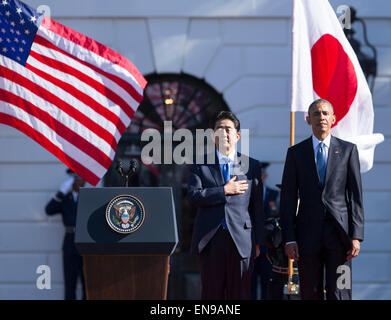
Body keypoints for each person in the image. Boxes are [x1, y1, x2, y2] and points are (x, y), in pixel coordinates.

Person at [280, 99, 364, 300]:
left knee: (340, 292)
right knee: (310, 291)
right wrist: (289, 238)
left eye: (326, 114)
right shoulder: (295, 153)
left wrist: (356, 235)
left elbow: (355, 196)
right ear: (308, 119)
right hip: (307, 236)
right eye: (316, 114)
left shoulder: (348, 150)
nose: (321, 118)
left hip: (340, 235)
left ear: (333, 119)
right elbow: (288, 198)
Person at [187, 111, 264, 300]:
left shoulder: (251, 165)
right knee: (212, 294)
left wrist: (258, 241)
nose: (224, 133)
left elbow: (257, 207)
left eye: (228, 129)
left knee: (241, 293)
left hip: (241, 239)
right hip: (210, 239)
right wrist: (224, 190)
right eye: (219, 129)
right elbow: (193, 197)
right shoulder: (200, 164)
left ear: (237, 136)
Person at [45, 169, 87, 300]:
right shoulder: (65, 199)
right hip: (70, 243)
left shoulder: (89, 197)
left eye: (82, 178)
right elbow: (49, 210)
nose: (81, 181)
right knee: (70, 283)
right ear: (72, 180)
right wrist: (61, 192)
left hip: (86, 243)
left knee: (88, 284)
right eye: (78, 178)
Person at [251, 162, 278, 300]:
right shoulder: (247, 195)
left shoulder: (274, 195)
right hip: (251, 245)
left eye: (261, 175)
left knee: (268, 282)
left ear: (265, 176)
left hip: (268, 248)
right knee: (250, 283)